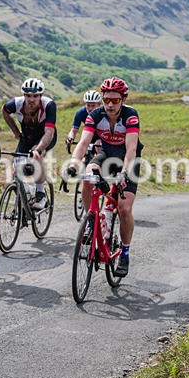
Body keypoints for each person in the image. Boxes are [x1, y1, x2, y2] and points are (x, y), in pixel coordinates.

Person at [66, 77, 142, 277]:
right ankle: (91, 222)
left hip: (127, 160)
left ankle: (125, 253)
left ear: (123, 99)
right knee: (87, 175)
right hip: (106, 154)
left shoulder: (130, 115)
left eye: (115, 100)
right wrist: (73, 164)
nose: (109, 105)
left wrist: (125, 172)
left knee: (124, 209)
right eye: (106, 100)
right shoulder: (95, 115)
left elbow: (131, 149)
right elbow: (83, 143)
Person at [2, 78, 57, 209]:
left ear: (41, 95)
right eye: (28, 96)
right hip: (26, 137)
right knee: (15, 168)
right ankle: (22, 202)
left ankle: (40, 193)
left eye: (35, 96)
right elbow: (4, 111)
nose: (31, 99)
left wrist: (38, 149)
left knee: (36, 156)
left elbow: (49, 132)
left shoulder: (49, 105)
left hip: (45, 137)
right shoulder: (16, 104)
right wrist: (16, 132)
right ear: (24, 95)